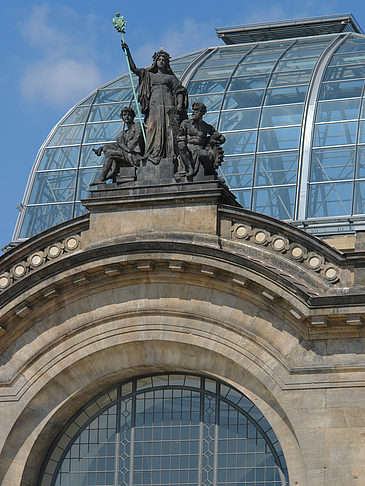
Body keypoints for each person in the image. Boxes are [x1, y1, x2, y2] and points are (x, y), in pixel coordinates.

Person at [122, 43, 188, 163]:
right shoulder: (149, 75)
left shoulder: (171, 78)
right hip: (154, 105)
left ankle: (170, 154)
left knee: (169, 128)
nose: (161, 62)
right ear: (155, 61)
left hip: (168, 104)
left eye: (164, 60)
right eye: (159, 59)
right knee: (152, 127)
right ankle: (152, 152)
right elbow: (134, 69)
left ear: (167, 63)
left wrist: (179, 104)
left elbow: (180, 90)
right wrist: (128, 52)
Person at [90, 107, 144, 185]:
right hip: (127, 155)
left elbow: (136, 140)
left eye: (129, 115)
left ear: (133, 116)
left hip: (136, 156)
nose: (127, 117)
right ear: (122, 117)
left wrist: (125, 147)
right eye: (124, 115)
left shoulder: (138, 126)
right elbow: (118, 144)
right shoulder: (123, 133)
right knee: (108, 150)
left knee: (110, 153)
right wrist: (102, 148)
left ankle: (102, 178)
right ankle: (103, 178)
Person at [176, 102, 225, 179]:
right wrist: (181, 140)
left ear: (202, 113)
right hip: (188, 148)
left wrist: (213, 140)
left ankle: (213, 174)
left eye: (196, 110)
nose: (193, 112)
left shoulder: (206, 126)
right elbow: (180, 136)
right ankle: (189, 169)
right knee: (181, 146)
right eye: (193, 110)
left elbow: (222, 138)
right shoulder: (186, 123)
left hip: (199, 148)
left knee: (204, 154)